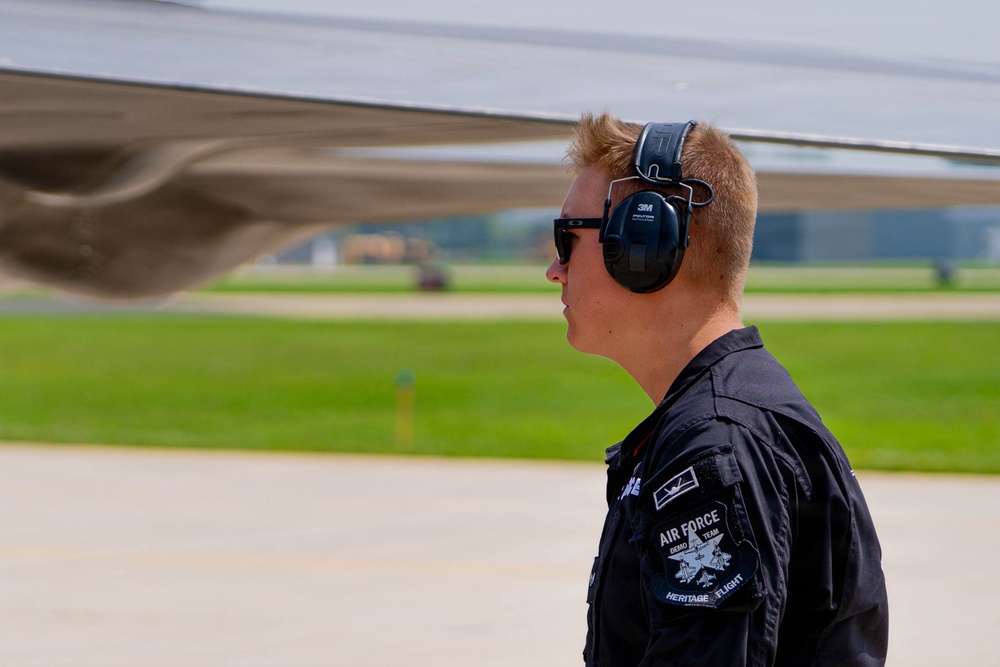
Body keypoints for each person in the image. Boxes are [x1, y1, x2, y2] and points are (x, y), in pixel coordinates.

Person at [545, 113, 888, 667]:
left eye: (568, 238)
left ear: (644, 245)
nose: (554, 270)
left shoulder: (716, 444)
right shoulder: (727, 417)